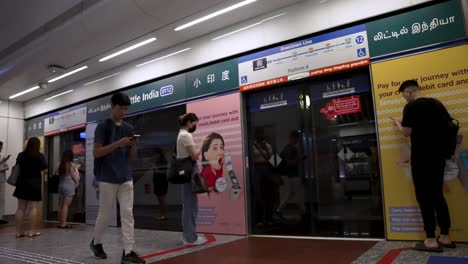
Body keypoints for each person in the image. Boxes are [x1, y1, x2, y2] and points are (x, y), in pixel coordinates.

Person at [391, 80, 455, 252]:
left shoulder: (412, 107)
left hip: (422, 158)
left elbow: (406, 132)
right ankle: (445, 236)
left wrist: (397, 122)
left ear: (409, 92)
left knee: (424, 197)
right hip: (439, 158)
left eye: (403, 94)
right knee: (438, 195)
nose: (404, 98)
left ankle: (430, 239)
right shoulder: (437, 104)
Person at [89, 92, 145, 264]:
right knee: (105, 215)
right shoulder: (103, 127)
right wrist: (118, 144)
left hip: (126, 177)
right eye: (121, 108)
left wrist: (133, 146)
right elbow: (96, 152)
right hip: (106, 177)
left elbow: (132, 157)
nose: (124, 112)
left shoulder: (129, 128)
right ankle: (96, 242)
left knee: (128, 214)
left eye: (126, 109)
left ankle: (128, 252)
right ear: (112, 106)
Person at [177, 113, 207, 246]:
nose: (196, 126)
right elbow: (194, 156)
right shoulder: (186, 135)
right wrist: (202, 144)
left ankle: (190, 236)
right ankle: (190, 238)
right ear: (189, 122)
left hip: (186, 172)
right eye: (195, 123)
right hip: (189, 172)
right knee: (190, 205)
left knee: (190, 204)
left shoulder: (182, 135)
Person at [13, 137, 48, 238]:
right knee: (33, 207)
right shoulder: (39, 156)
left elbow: (17, 167)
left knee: (20, 208)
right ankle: (31, 231)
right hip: (34, 183)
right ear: (38, 145)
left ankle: (18, 232)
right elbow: (45, 170)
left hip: (21, 183)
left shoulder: (21, 155)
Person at [276, 131, 305, 217]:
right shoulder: (290, 149)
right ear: (293, 138)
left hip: (288, 174)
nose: (297, 140)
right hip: (290, 174)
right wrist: (299, 160)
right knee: (295, 193)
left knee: (292, 193)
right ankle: (279, 210)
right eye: (296, 138)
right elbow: (288, 162)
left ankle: (279, 210)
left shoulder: (287, 148)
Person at [252, 128, 275, 227]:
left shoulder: (268, 145)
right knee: (259, 196)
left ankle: (269, 218)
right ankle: (259, 219)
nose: (260, 136)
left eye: (262, 134)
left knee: (269, 195)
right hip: (257, 171)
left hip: (268, 171)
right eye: (259, 134)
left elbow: (273, 159)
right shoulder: (252, 146)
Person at [57, 150, 80, 228]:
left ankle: (60, 222)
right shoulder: (71, 165)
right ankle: (64, 224)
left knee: (61, 205)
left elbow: (56, 173)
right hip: (69, 186)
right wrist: (76, 169)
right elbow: (76, 178)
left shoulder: (59, 164)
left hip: (61, 185)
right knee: (66, 205)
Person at [152, 148, 168, 220]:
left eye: (155, 154)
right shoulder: (158, 161)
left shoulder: (163, 161)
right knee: (160, 199)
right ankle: (162, 214)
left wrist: (155, 168)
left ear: (158, 154)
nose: (154, 156)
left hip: (161, 181)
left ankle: (163, 215)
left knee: (162, 199)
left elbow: (162, 172)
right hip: (158, 181)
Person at [0, 141, 11, 224]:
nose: (2, 148)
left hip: (2, 180)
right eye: (1, 146)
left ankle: (1, 217)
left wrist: (5, 163)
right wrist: (2, 167)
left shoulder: (2, 155)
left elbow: (6, 166)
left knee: (2, 199)